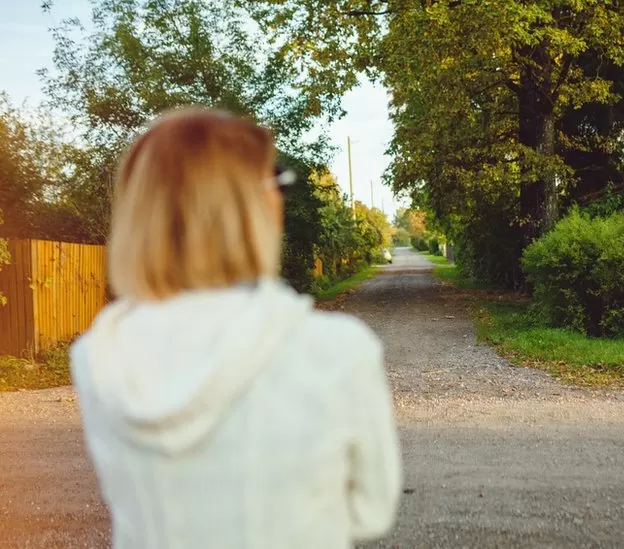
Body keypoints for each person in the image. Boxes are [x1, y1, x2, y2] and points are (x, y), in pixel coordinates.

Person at [69, 108, 402, 549]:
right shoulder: (336, 349)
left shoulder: (97, 355)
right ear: (256, 205)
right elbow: (371, 511)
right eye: (276, 180)